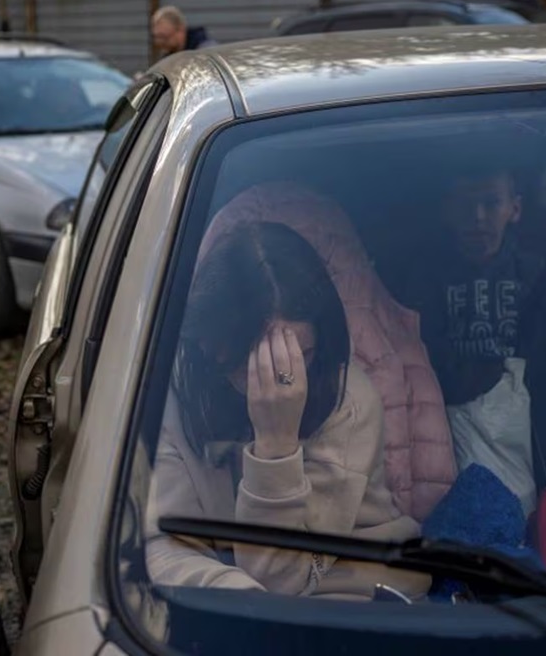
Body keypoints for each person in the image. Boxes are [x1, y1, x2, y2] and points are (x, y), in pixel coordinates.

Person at [146, 221, 429, 599]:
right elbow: (162, 545)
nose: (281, 377)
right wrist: (236, 596)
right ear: (213, 346)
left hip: (354, 588)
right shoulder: (178, 391)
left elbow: (284, 577)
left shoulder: (348, 400)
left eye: (300, 355)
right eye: (256, 357)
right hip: (234, 601)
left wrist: (276, 442)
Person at [397, 166, 543, 407]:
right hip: (444, 409)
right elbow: (417, 356)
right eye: (465, 205)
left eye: (492, 203)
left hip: (527, 412)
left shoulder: (534, 274)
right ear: (447, 210)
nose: (478, 217)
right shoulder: (422, 275)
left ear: (515, 209)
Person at [151, 6, 217, 57]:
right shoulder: (169, 54)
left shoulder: (205, 52)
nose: (158, 42)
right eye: (156, 37)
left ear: (180, 30)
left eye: (164, 37)